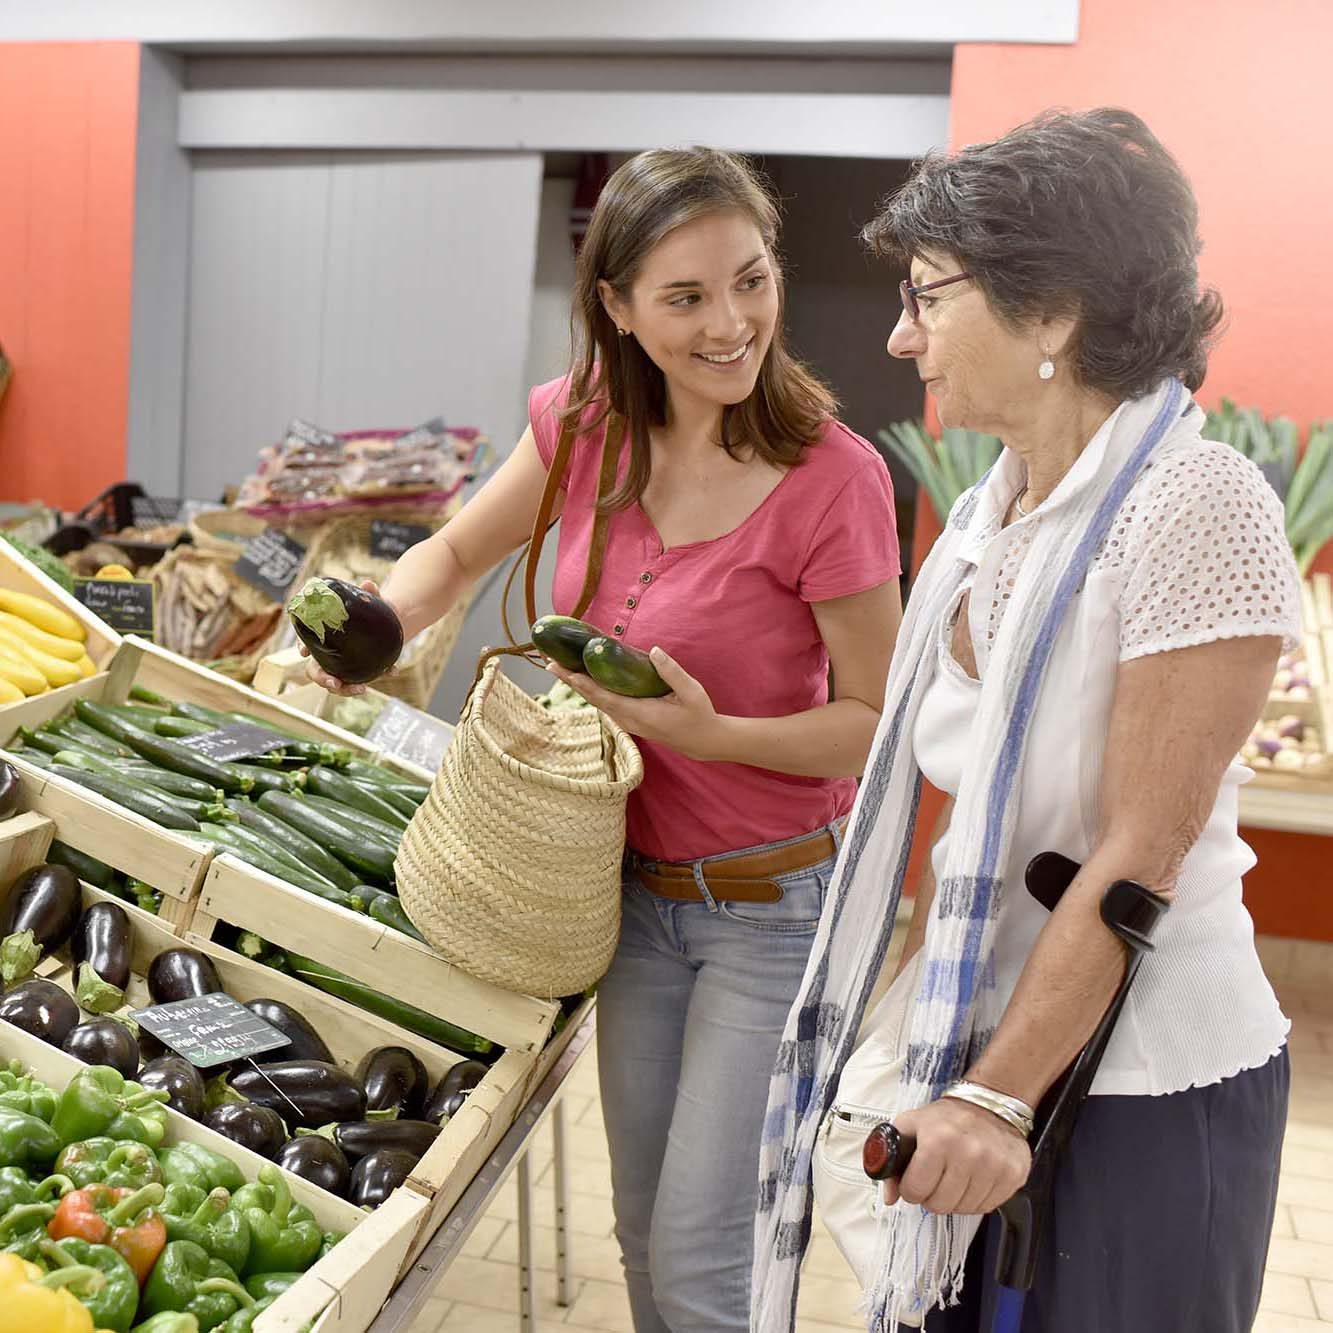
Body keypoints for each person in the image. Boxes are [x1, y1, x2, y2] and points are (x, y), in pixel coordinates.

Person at [308, 147, 903, 1332]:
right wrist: (375, 623)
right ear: (619, 310)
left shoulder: (832, 480)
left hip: (770, 911)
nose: (730, 323)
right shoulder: (582, 423)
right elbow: (459, 553)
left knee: (696, 1254)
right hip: (623, 895)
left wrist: (711, 730)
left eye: (749, 279)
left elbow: (873, 727)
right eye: (684, 298)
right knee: (643, 1228)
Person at [753, 108, 1299, 1333]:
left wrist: (993, 1099)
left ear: (1051, 310)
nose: (901, 338)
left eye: (927, 298)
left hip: (1140, 1082)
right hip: (992, 1045)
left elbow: (1136, 856)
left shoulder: (1196, 507)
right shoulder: (989, 520)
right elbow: (968, 838)